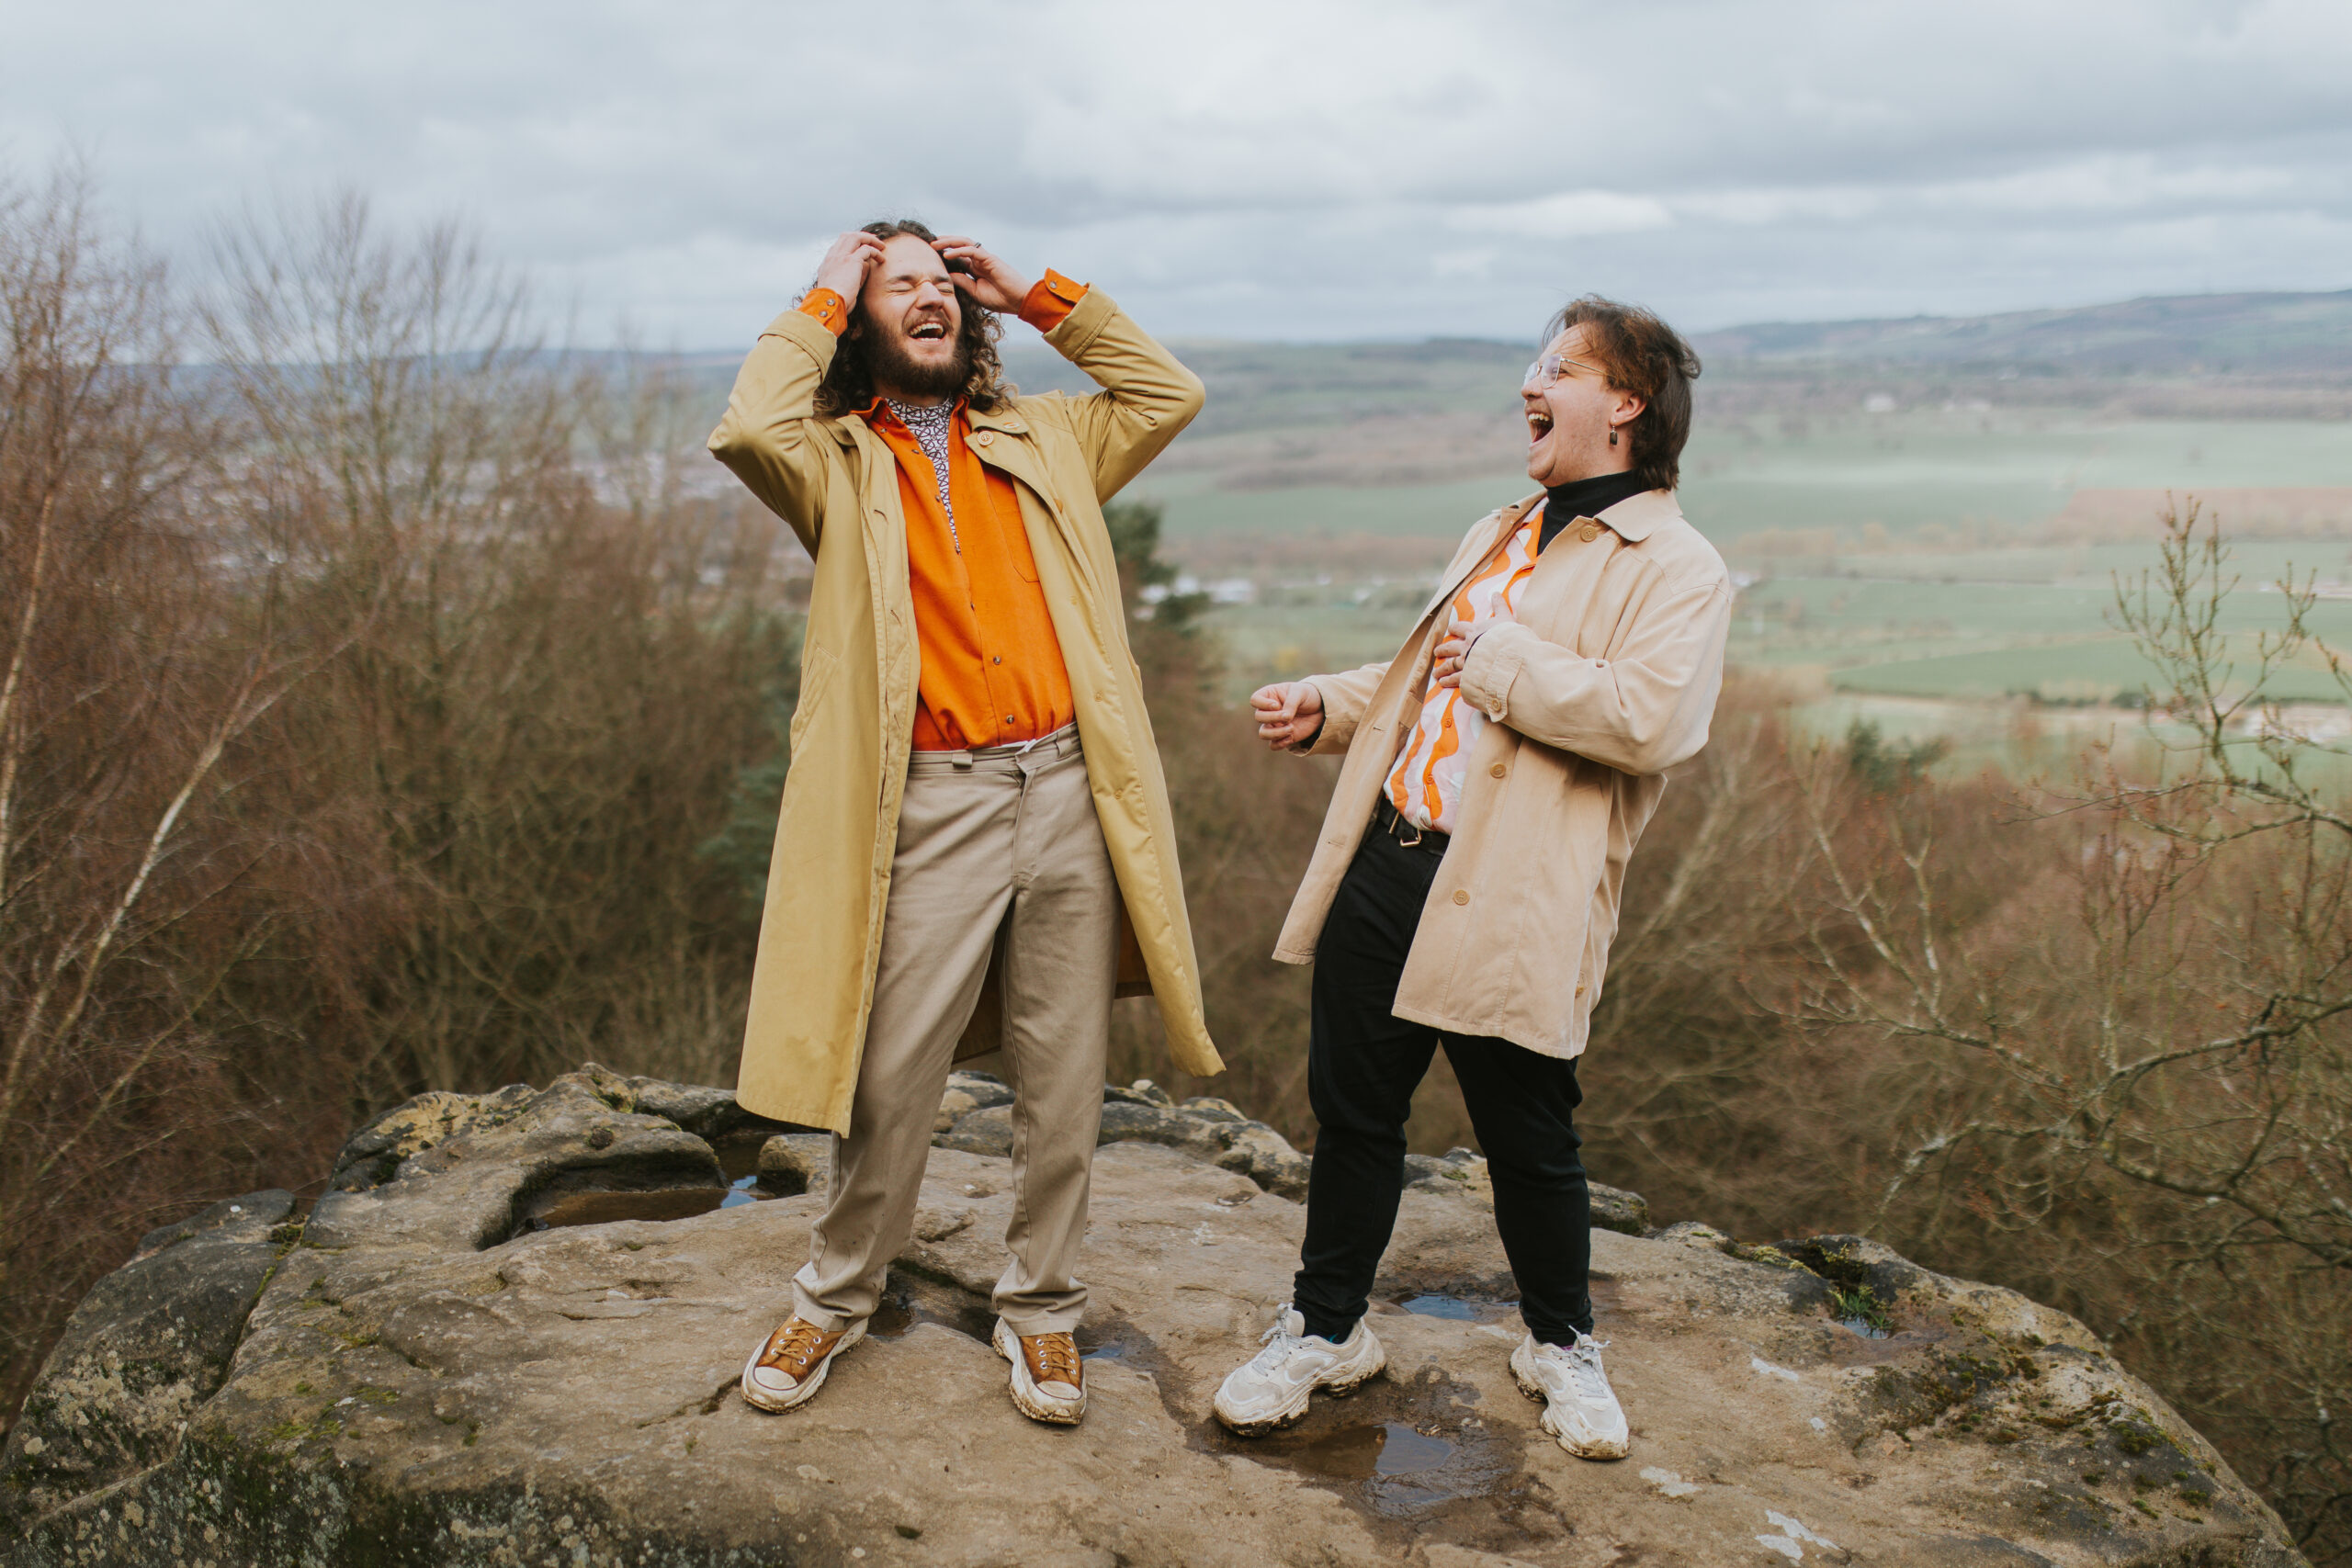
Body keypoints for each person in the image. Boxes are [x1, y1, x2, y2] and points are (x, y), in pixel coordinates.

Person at [707, 220, 1221, 1427]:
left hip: (1068, 790)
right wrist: (824, 287)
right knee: (893, 1069)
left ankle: (1041, 1304)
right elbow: (746, 426)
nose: (929, 298)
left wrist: (1037, 291)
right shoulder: (833, 459)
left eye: (944, 283)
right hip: (935, 799)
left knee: (1064, 1067)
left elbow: (1169, 388)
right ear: (864, 320)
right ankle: (834, 1293)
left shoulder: (1048, 432)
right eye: (901, 286)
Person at [1211, 297, 1728, 1460]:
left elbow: (1649, 721)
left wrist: (1501, 659)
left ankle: (1559, 1345)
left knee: (1529, 1138)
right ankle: (1326, 1331)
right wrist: (1332, 707)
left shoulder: (1679, 567)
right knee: (1353, 1118)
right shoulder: (1502, 527)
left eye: (1557, 370)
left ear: (1626, 403)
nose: (1529, 388)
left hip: (1512, 895)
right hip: (1388, 862)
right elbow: (1428, 684)